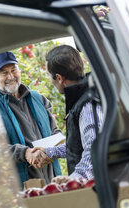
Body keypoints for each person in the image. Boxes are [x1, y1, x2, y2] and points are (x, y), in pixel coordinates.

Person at [0, 51, 62, 187]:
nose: (11, 76)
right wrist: (24, 153)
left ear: (19, 70)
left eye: (13, 70)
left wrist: (48, 151)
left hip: (52, 182)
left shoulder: (39, 99)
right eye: (4, 72)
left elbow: (55, 133)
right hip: (19, 189)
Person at [34, 45, 103, 184]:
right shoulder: (81, 96)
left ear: (59, 78)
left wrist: (74, 179)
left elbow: (94, 148)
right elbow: (78, 143)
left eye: (49, 75)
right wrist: (50, 152)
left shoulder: (87, 104)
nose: (50, 80)